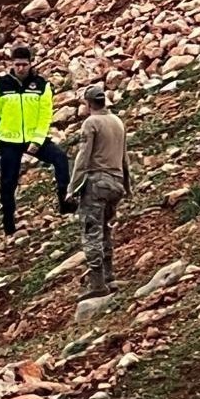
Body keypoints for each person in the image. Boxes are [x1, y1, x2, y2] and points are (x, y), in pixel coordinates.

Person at [0, 46, 74, 235]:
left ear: (31, 64)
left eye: (24, 64)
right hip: (9, 141)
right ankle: (8, 224)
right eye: (17, 65)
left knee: (60, 159)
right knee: (8, 182)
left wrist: (37, 140)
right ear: (11, 64)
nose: (21, 68)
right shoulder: (0, 86)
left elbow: (45, 115)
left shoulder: (41, 85)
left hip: (34, 138)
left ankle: (65, 203)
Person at [69, 84, 132, 299]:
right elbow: (125, 157)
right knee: (105, 230)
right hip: (117, 183)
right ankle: (109, 276)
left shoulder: (91, 123)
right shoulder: (117, 121)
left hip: (97, 183)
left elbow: (83, 157)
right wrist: (127, 185)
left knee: (91, 233)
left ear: (88, 104)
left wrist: (72, 187)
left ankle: (97, 283)